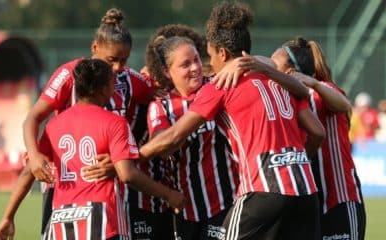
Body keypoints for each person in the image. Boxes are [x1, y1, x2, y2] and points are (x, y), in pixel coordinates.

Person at [138, 2, 325, 240]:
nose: (208, 64)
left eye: (210, 54)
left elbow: (173, 137)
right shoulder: (280, 81)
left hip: (263, 191)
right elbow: (317, 133)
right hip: (306, 191)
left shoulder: (221, 84)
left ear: (223, 53)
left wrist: (128, 161)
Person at [0, 7, 155, 240]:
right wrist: (35, 153)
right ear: (94, 48)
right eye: (112, 60)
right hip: (64, 188)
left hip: (105, 194)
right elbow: (33, 117)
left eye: (124, 60)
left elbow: (157, 98)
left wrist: (125, 159)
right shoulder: (69, 74)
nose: (118, 67)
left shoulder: (129, 79)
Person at [37, 58, 184, 240]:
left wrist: (8, 215)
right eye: (112, 84)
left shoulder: (53, 125)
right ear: (104, 89)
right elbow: (127, 174)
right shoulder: (115, 123)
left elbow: (34, 165)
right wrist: (168, 194)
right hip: (102, 218)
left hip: (61, 219)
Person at [145, 35, 240, 240]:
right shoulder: (161, 106)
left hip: (226, 204)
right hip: (186, 211)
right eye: (185, 64)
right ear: (166, 72)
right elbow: (162, 147)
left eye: (197, 59)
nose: (196, 68)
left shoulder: (219, 86)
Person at [271, 37, 366, 240]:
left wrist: (314, 83)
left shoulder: (320, 91)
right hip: (307, 204)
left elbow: (343, 104)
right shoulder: (281, 98)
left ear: (290, 72)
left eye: (273, 64)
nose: (269, 68)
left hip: (339, 199)